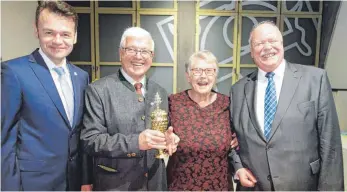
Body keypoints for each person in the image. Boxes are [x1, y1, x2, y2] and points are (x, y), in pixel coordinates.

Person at [229, 21, 344, 190]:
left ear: (282, 44)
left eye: (272, 41)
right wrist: (238, 167)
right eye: (259, 43)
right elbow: (227, 138)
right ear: (252, 52)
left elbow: (330, 143)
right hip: (255, 187)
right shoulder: (238, 90)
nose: (267, 47)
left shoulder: (314, 79)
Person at [1, 1, 92, 191]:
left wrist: (85, 179)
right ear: (36, 31)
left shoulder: (81, 77)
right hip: (33, 184)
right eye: (49, 32)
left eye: (65, 34)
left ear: (75, 36)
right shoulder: (14, 72)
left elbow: (80, 134)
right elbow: (4, 141)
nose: (58, 41)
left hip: (72, 182)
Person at [80, 27, 180, 191]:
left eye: (145, 51)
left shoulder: (159, 91)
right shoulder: (99, 90)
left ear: (152, 56)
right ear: (121, 53)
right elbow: (91, 140)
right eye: (132, 50)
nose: (138, 56)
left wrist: (169, 140)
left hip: (155, 183)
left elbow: (162, 130)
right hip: (116, 184)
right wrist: (136, 142)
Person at [167, 50, 255, 190]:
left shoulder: (227, 104)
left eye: (209, 71)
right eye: (197, 71)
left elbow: (235, 144)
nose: (203, 76)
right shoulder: (173, 103)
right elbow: (161, 135)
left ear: (215, 76)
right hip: (180, 185)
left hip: (219, 186)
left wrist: (239, 163)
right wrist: (166, 139)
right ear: (188, 76)